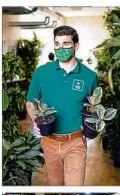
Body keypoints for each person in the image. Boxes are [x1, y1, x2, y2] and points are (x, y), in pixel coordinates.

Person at [26, 25, 99, 186]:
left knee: (75, 188)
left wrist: (94, 125)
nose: (61, 48)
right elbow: (30, 101)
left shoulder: (89, 76)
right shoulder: (42, 72)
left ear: (75, 46)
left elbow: (93, 107)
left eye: (66, 44)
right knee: (55, 186)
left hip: (75, 142)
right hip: (49, 141)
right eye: (57, 44)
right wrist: (34, 118)